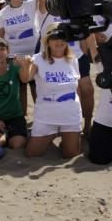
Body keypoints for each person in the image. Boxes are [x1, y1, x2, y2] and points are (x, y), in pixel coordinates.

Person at [36, 0, 98, 135]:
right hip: (53, 58)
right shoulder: (47, 9)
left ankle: (88, 123)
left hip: (75, 56)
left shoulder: (75, 8)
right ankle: (57, 124)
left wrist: (88, 52)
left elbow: (85, 33)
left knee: (87, 90)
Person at [18, 23, 82, 159]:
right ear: (47, 41)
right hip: (47, 114)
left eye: (62, 37)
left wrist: (79, 112)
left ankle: (63, 134)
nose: (59, 41)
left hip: (70, 113)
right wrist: (25, 66)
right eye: (54, 37)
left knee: (70, 154)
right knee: (32, 153)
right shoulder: (37, 59)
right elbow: (25, 79)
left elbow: (76, 88)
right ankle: (52, 133)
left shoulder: (73, 60)